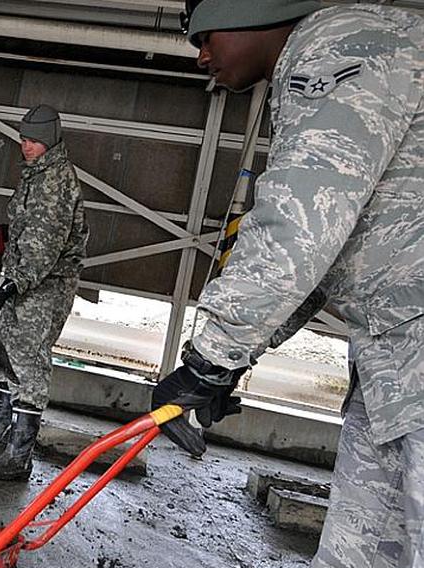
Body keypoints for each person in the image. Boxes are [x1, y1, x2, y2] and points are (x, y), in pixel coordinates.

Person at [155, 1, 423, 566]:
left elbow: (300, 221)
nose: (202, 55)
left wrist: (213, 358)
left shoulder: (340, 44)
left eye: (205, 35)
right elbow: (325, 248)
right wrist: (234, 355)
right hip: (393, 356)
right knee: (365, 549)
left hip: (409, 349)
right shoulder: (335, 50)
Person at [0, 104, 89, 481]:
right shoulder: (37, 174)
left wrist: (10, 286)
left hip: (45, 285)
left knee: (29, 362)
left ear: (49, 140)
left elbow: (44, 248)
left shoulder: (55, 183)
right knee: (6, 350)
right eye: (22, 138)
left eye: (33, 140)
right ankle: (0, 427)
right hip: (25, 281)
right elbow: (27, 232)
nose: (25, 145)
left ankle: (19, 455)